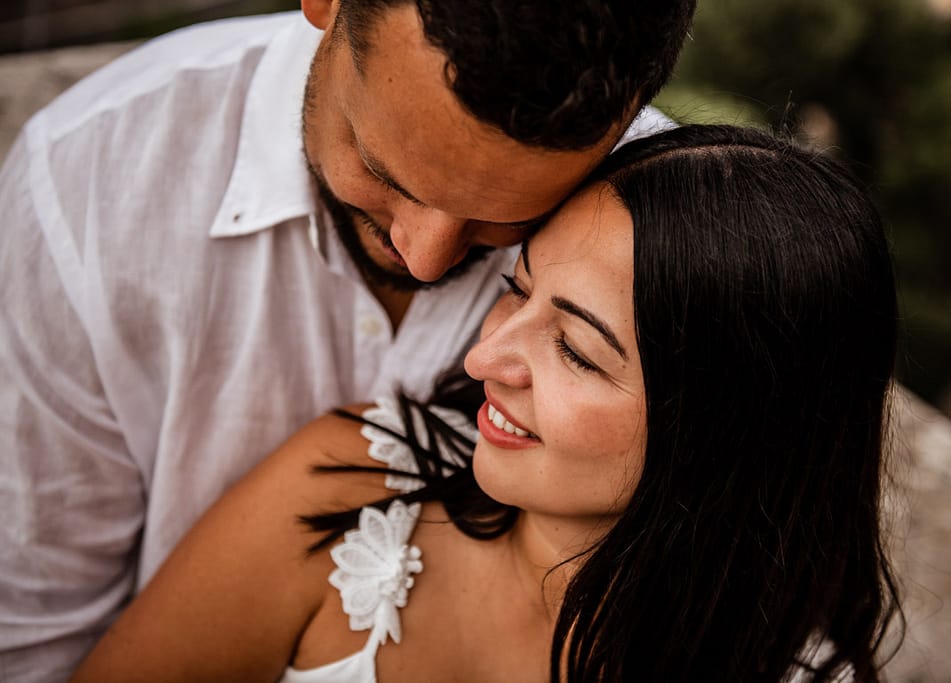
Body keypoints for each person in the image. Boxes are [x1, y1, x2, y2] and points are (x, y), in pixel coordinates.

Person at [0, 1, 697, 678]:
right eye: (381, 169)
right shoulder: (84, 184)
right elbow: (31, 637)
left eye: (503, 221)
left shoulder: (672, 239)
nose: (425, 257)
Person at [70, 125, 904, 682]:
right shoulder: (348, 483)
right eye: (517, 290)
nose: (482, 357)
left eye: (577, 349)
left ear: (725, 429)